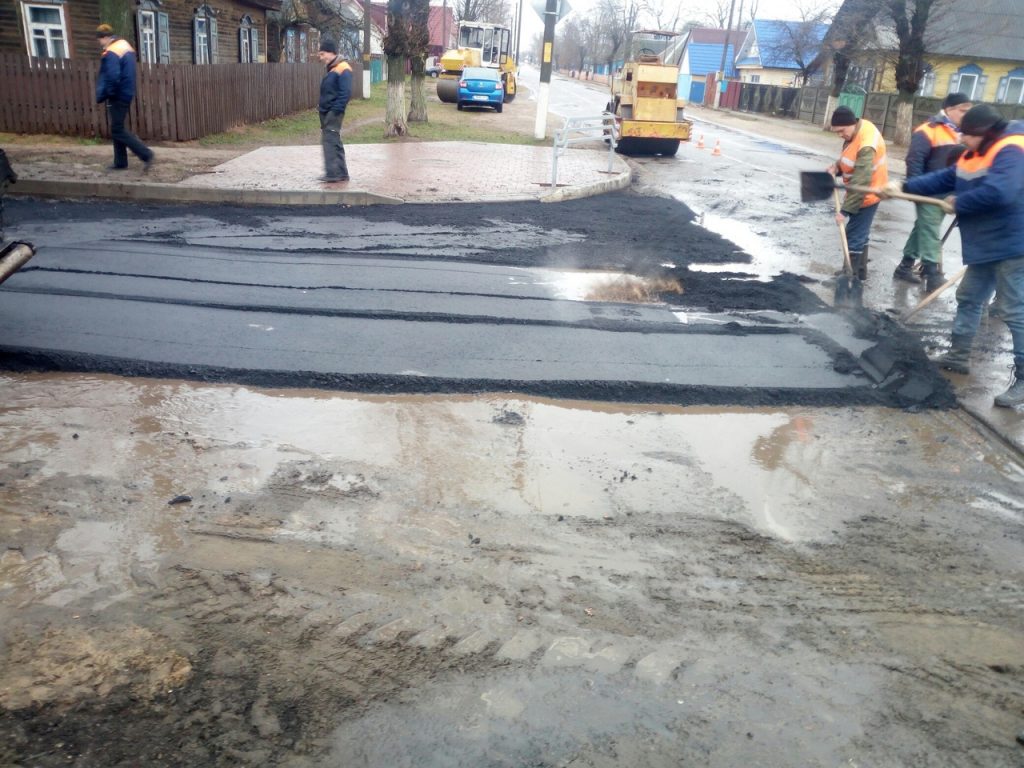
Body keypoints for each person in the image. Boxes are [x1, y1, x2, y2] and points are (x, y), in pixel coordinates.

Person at [883, 104, 1024, 408]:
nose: (962, 139)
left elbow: (1002, 192)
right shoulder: (974, 153)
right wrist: (902, 185)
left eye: (967, 135)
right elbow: (945, 177)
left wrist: (961, 202)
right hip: (986, 244)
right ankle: (958, 357)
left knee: (1014, 311)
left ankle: (1023, 379)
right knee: (970, 298)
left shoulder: (1012, 150)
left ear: (984, 133)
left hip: (1013, 244)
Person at [894, 92, 971, 291]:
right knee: (930, 230)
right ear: (949, 109)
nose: (966, 115)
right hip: (928, 190)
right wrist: (915, 188)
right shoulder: (928, 130)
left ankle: (904, 266)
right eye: (963, 111)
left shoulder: (963, 133)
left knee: (922, 228)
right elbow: (914, 160)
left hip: (951, 193)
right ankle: (931, 272)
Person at [825, 106, 888, 281]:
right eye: (837, 132)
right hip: (864, 191)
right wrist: (837, 167)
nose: (840, 135)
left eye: (842, 131)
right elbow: (851, 159)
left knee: (853, 234)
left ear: (851, 124)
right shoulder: (859, 129)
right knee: (861, 233)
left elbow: (861, 179)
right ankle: (859, 272)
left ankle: (849, 275)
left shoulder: (867, 143)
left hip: (868, 193)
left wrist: (844, 211)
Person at [95, 24, 153, 172]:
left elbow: (113, 76)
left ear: (105, 37)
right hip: (126, 91)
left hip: (118, 94)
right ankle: (120, 162)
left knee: (117, 130)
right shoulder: (125, 46)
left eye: (100, 39)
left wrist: (108, 92)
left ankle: (145, 154)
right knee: (117, 127)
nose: (99, 42)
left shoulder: (112, 52)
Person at [317, 39, 352, 183]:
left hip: (333, 112)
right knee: (335, 140)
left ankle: (332, 174)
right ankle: (342, 173)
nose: (321, 57)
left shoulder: (343, 68)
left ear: (331, 52)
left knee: (329, 141)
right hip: (327, 111)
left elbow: (345, 93)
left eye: (322, 54)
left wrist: (335, 111)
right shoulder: (333, 68)